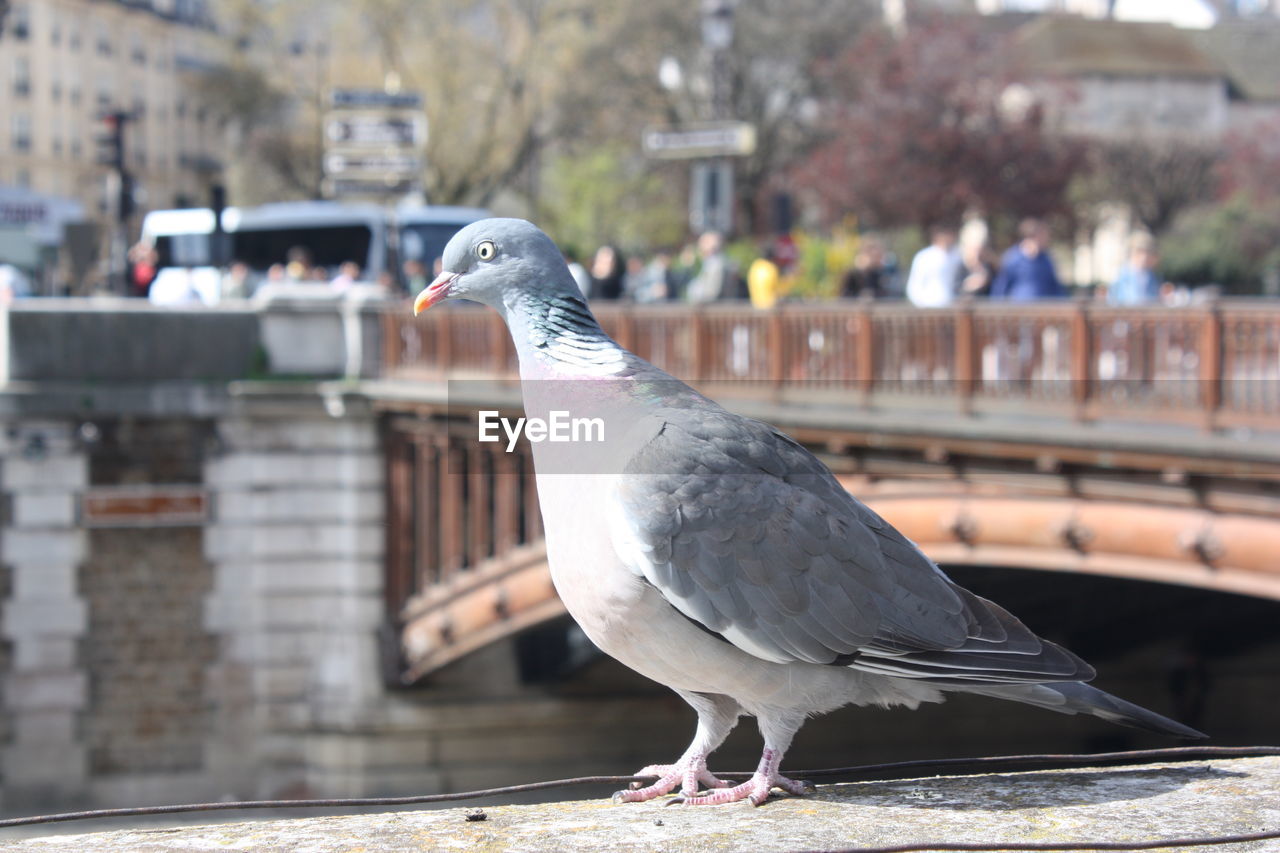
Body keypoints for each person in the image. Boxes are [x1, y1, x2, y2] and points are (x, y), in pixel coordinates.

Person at [990, 218, 1066, 301]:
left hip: (1043, 310)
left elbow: (1055, 287)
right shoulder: (1013, 258)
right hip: (1019, 309)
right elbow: (1001, 286)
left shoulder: (1046, 260)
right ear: (1034, 236)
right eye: (1043, 235)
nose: (1047, 239)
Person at [905, 225, 961, 307]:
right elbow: (914, 285)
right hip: (930, 306)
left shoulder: (957, 255)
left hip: (952, 305)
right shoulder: (924, 256)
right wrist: (921, 303)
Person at [1108, 234, 1163, 306]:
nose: (1144, 257)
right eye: (1139, 252)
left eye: (1147, 252)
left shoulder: (1152, 278)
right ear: (1131, 253)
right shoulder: (1120, 277)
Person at [685, 231, 739, 303]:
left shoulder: (715, 265)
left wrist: (692, 289)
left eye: (701, 243)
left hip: (715, 310)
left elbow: (711, 293)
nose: (699, 247)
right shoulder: (714, 263)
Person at [842, 234, 890, 299]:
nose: (874, 253)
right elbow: (844, 297)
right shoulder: (852, 274)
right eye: (870, 249)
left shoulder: (883, 273)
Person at [747, 244, 783, 309]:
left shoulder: (755, 265)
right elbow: (777, 288)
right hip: (770, 305)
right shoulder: (771, 268)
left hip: (755, 304)